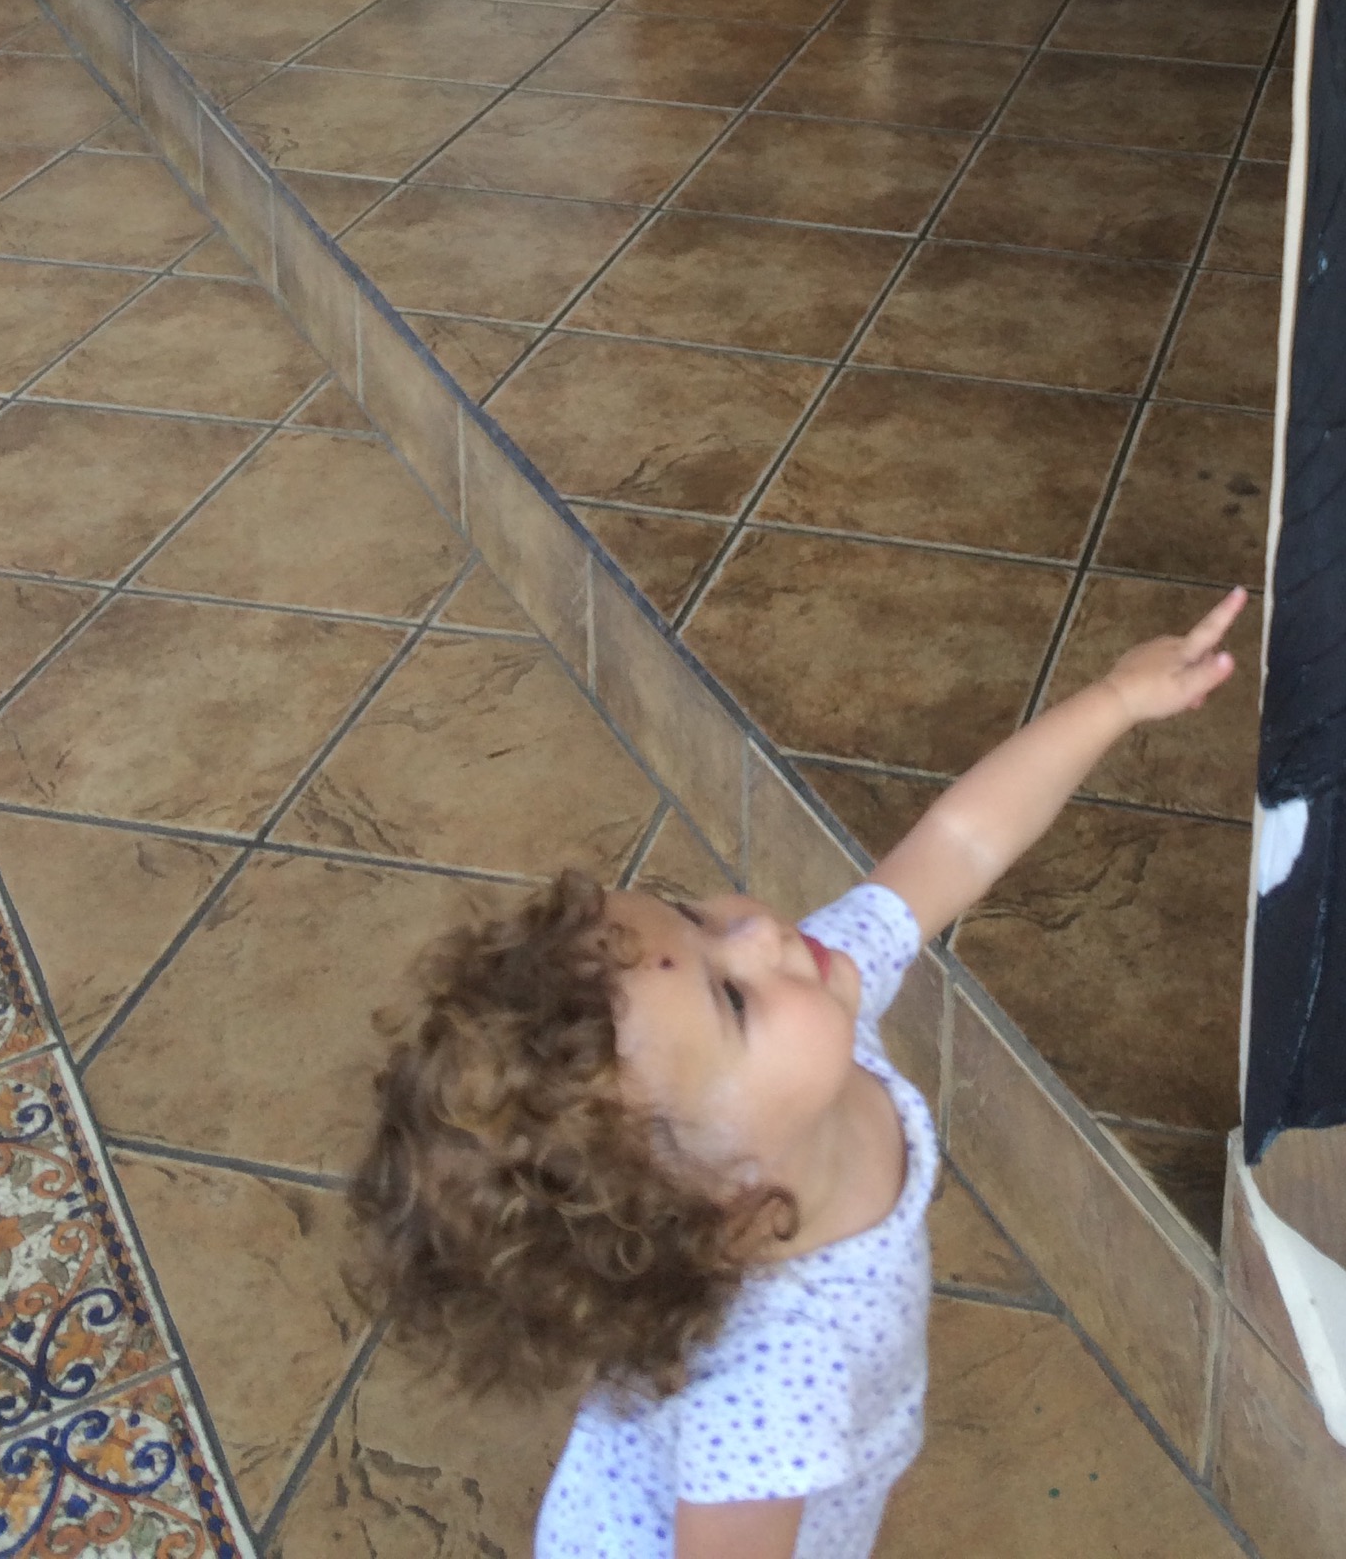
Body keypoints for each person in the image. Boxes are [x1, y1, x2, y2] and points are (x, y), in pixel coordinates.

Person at [350, 585, 1248, 1559]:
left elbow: (959, 843)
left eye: (691, 913)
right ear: (723, 1211)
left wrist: (1115, 700)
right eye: (731, 998)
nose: (760, 933)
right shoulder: (773, 1382)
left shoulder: (817, 1010)